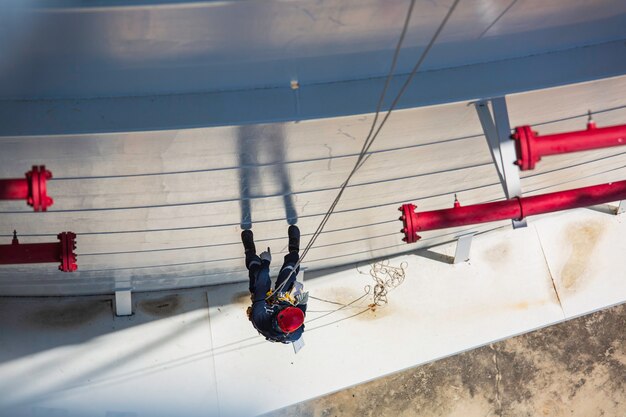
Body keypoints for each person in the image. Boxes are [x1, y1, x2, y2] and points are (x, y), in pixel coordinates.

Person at [241, 225, 307, 343]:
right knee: (289, 270)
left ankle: (249, 250)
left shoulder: (260, 317)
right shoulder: (296, 334)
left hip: (264, 302)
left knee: (256, 270)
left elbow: (261, 284)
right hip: (283, 303)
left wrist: (266, 262)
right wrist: (301, 299)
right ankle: (294, 249)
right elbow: (301, 313)